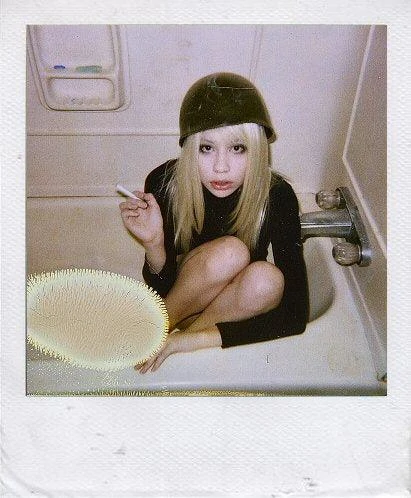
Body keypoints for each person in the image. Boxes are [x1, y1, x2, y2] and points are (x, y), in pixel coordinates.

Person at [119, 72, 309, 373]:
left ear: (257, 148)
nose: (221, 167)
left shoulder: (278, 196)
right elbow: (161, 289)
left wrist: (188, 341)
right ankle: (155, 328)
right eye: (207, 148)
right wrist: (153, 243)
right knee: (231, 252)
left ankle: (170, 341)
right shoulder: (166, 182)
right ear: (191, 148)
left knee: (268, 280)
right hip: (178, 303)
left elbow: (295, 315)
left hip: (226, 310)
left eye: (238, 148)